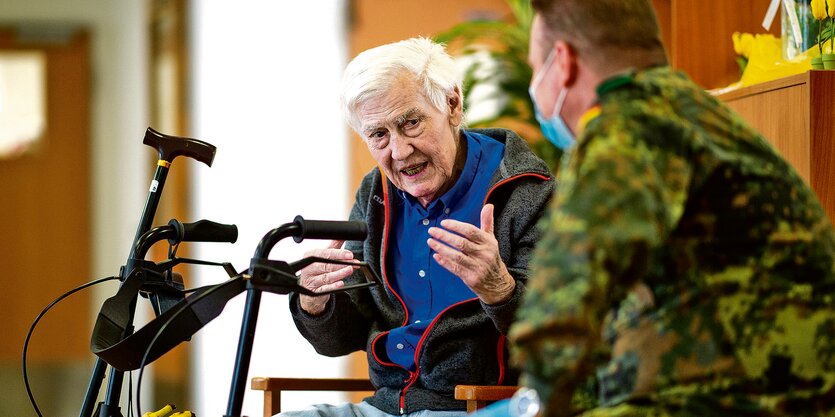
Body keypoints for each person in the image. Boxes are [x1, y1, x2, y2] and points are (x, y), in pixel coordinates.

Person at [508, 0, 835, 416]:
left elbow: (570, 285)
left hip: (744, 398)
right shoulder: (694, 114)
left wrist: (532, 400)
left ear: (563, 62)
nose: (537, 87)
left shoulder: (629, 128)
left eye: (537, 70)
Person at [286, 37, 555, 417]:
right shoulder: (375, 195)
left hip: (476, 408)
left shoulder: (526, 192)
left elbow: (559, 336)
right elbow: (340, 338)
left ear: (452, 104)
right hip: (384, 407)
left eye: (410, 123)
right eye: (378, 135)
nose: (399, 151)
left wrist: (501, 289)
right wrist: (316, 302)